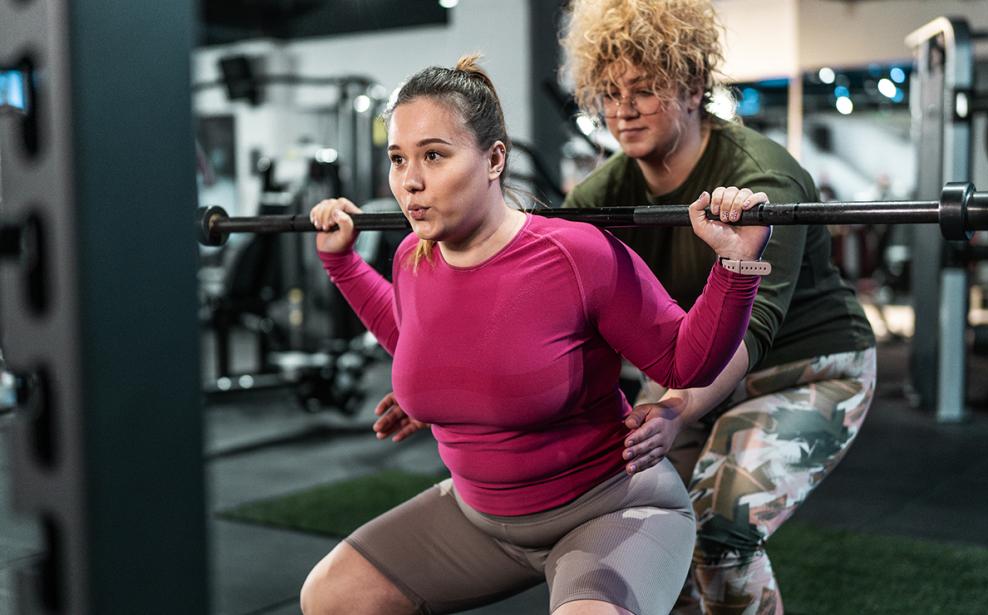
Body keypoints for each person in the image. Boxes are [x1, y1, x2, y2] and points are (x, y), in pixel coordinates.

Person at [298, 54, 771, 615]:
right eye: (398, 159)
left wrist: (735, 268)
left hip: (608, 508)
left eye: (433, 155)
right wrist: (343, 264)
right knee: (331, 597)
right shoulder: (411, 256)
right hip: (479, 521)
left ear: (494, 158)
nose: (411, 181)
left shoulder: (576, 254)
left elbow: (682, 366)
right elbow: (414, 340)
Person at [559, 1, 878, 613]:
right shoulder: (600, 196)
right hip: (697, 373)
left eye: (645, 90)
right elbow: (546, 297)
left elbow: (751, 331)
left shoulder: (762, 180)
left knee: (719, 529)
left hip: (809, 368)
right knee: (648, 531)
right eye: (609, 92)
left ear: (693, 86)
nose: (622, 110)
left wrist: (674, 408)